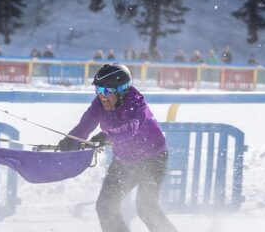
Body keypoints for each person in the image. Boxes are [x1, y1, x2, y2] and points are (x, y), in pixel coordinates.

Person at [58, 63, 177, 232]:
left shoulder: (137, 105)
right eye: (98, 90)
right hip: (125, 160)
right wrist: (71, 140)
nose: (102, 96)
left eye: (107, 91)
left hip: (153, 159)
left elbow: (130, 128)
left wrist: (107, 136)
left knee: (146, 210)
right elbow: (86, 124)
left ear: (122, 90)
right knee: (105, 206)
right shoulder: (100, 103)